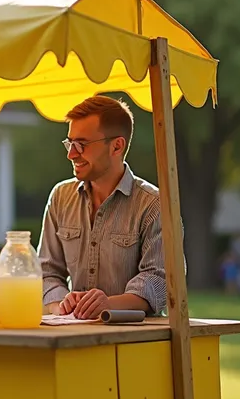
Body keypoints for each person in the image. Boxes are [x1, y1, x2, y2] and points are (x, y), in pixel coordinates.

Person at [38, 96, 172, 320]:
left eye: (81, 144)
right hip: (69, 337)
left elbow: (160, 281)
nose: (71, 154)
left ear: (117, 146)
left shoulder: (153, 204)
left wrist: (108, 304)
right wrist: (61, 304)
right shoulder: (60, 197)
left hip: (135, 343)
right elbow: (46, 272)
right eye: (69, 143)